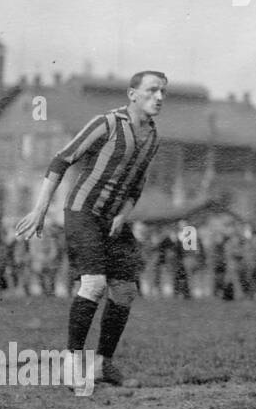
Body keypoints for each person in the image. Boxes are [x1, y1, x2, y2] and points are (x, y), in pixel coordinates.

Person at [15, 70, 166, 386]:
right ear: (132, 94)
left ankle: (102, 365)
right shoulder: (107, 124)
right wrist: (40, 209)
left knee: (125, 291)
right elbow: (61, 159)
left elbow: (137, 184)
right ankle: (70, 366)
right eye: (152, 91)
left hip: (114, 220)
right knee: (94, 285)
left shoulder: (152, 136)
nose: (159, 97)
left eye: (162, 91)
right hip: (82, 212)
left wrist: (123, 214)